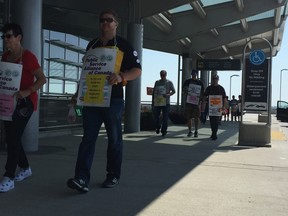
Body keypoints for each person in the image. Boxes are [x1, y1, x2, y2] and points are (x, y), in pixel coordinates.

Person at [66, 9, 142, 192]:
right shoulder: (92, 45)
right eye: (102, 20)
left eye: (109, 20)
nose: (105, 23)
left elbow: (137, 70)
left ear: (116, 24)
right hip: (91, 99)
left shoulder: (124, 45)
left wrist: (121, 76)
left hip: (113, 100)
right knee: (87, 139)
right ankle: (81, 178)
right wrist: (77, 95)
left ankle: (113, 175)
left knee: (114, 140)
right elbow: (86, 73)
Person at [0, 23, 47, 192]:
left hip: (24, 104)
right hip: (7, 102)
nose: (5, 39)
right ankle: (25, 168)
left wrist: (28, 91)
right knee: (12, 138)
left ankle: (9, 176)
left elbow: (42, 79)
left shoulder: (28, 57)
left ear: (19, 37)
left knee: (12, 137)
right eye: (3, 36)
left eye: (9, 36)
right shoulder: (5, 56)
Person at [152, 70, 175, 136]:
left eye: (164, 74)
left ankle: (164, 130)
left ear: (166, 74)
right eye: (161, 74)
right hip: (158, 102)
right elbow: (154, 92)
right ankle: (158, 126)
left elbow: (173, 91)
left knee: (165, 117)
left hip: (166, 102)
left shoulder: (169, 82)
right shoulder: (157, 82)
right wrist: (153, 101)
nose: (162, 75)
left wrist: (168, 95)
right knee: (156, 116)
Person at [203, 74, 226, 140]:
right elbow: (204, 96)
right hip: (210, 107)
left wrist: (223, 106)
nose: (215, 80)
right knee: (211, 120)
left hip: (219, 107)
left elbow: (224, 98)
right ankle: (213, 132)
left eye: (216, 79)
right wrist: (203, 104)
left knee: (216, 120)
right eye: (214, 79)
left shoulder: (221, 88)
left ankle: (214, 133)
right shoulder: (209, 88)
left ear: (218, 80)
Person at [183, 69, 204, 137]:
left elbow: (203, 93)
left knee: (196, 117)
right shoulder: (187, 82)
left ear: (197, 75)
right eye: (193, 74)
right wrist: (188, 92)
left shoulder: (200, 83)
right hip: (189, 102)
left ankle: (196, 131)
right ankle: (190, 131)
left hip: (196, 102)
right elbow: (184, 90)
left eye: (195, 74)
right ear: (191, 74)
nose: (194, 75)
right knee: (188, 117)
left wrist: (201, 100)